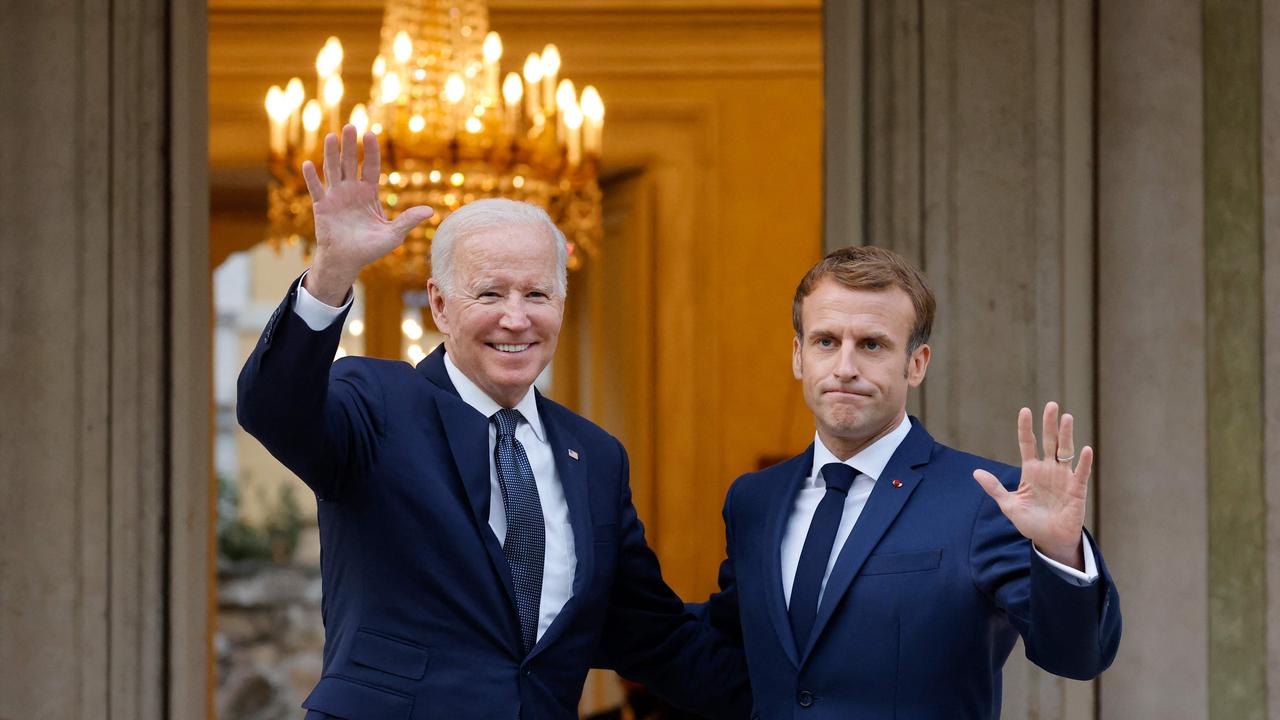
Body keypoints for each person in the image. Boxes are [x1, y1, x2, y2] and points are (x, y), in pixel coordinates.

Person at [237, 125, 748, 720]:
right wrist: (331, 272)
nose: (516, 319)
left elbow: (656, 636)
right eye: (489, 294)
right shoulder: (377, 401)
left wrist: (816, 696)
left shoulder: (595, 456)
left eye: (537, 294)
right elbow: (272, 409)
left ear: (560, 304)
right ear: (440, 305)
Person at [702, 246, 1122, 718]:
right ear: (798, 356)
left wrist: (1060, 553)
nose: (844, 367)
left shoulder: (989, 499)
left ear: (917, 363)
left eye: (871, 345)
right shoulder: (753, 501)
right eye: (825, 342)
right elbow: (727, 653)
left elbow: (1077, 655)